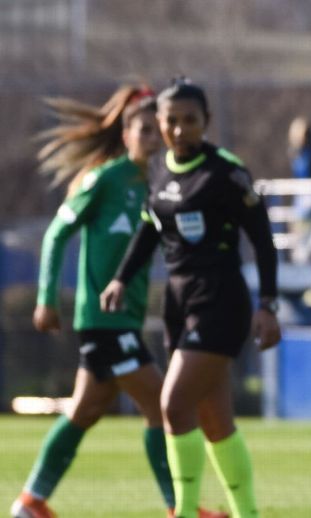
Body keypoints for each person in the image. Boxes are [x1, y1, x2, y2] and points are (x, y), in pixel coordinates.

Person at [12, 84, 225, 518]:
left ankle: (31, 502)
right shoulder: (104, 180)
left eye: (155, 131)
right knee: (161, 405)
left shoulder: (163, 184)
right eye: (142, 130)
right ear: (126, 135)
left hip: (122, 320)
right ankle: (178, 507)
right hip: (103, 320)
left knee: (85, 411)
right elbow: (56, 233)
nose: (152, 138)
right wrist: (46, 299)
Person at [101, 79, 282, 518]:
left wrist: (268, 306)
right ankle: (247, 513)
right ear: (160, 123)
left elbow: (262, 242)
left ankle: (182, 512)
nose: (180, 130)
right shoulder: (159, 170)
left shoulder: (226, 172)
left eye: (190, 121)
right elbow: (149, 230)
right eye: (171, 122)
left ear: (206, 122)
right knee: (215, 420)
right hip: (178, 304)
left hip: (221, 302)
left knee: (173, 403)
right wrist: (120, 279)